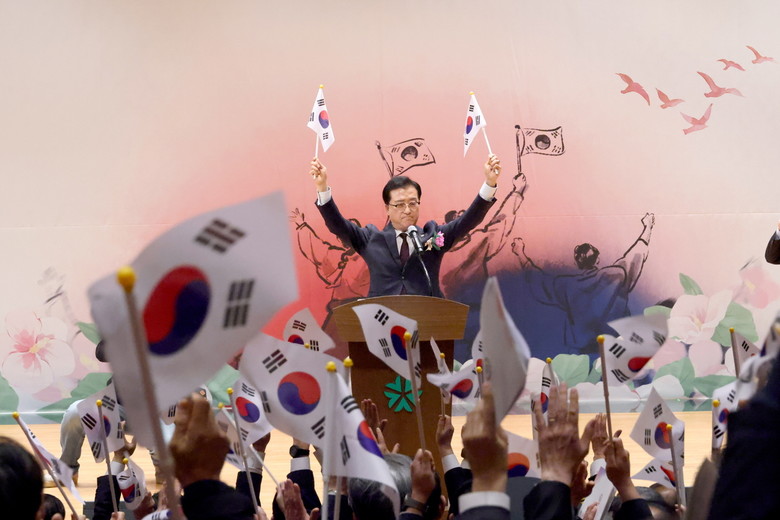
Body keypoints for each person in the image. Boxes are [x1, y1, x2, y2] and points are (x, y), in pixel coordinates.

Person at [309, 154, 501, 297]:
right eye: (400, 205)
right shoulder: (370, 238)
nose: (407, 210)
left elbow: (467, 221)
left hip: (428, 320)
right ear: (387, 208)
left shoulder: (433, 236)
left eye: (412, 203)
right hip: (382, 321)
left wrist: (489, 183)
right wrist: (322, 188)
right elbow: (337, 225)